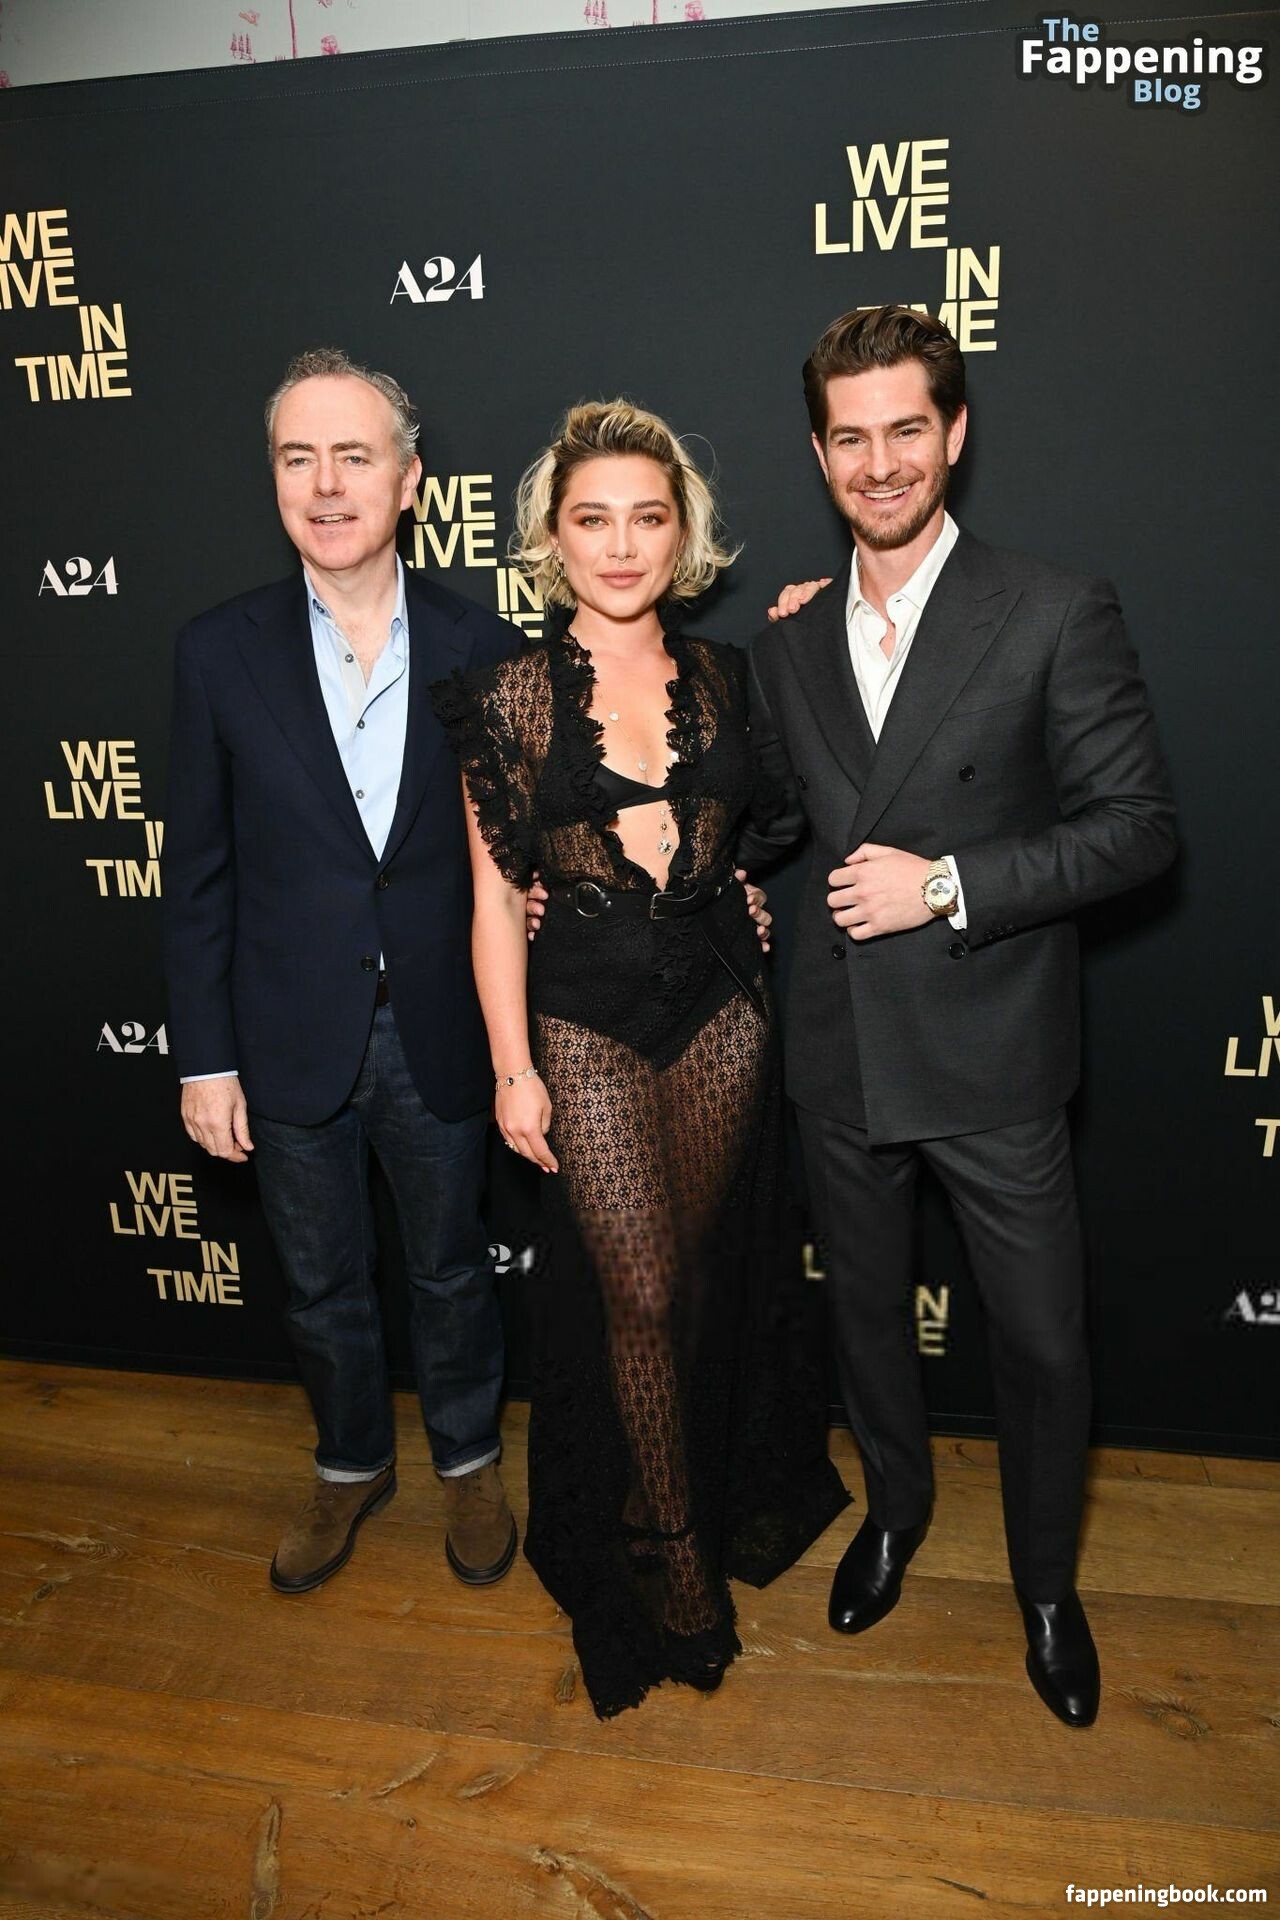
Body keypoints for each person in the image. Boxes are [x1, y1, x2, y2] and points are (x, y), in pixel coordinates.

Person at [740, 306, 1176, 1727]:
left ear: (955, 434)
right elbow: (771, 825)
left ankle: (1044, 1587)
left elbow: (1135, 829)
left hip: (992, 1050)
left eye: (905, 430)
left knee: (1041, 1344)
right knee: (866, 1321)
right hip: (839, 1050)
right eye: (850, 438)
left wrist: (944, 885)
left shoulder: (1051, 608)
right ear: (819, 455)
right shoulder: (788, 640)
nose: (880, 463)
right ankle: (894, 1514)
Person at [432, 400, 849, 1717]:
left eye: (647, 519)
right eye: (593, 519)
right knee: (643, 1289)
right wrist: (511, 1067)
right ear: (552, 540)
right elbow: (493, 900)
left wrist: (745, 888)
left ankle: (684, 1490)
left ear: (683, 536)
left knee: (704, 1279)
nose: (621, 545)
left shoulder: (730, 675)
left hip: (722, 1005)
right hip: (585, 1019)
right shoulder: (504, 695)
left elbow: (776, 817)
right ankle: (669, 1550)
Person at [163, 348, 521, 1598]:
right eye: (298, 458)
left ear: (409, 480)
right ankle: (350, 1462)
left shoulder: (485, 644)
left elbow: (521, 859)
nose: (325, 485)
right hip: (283, 1034)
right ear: (273, 480)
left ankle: (468, 1460)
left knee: (450, 1270)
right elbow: (195, 872)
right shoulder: (216, 652)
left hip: (440, 1025)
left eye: (353, 457)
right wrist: (204, 1058)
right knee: (320, 1284)